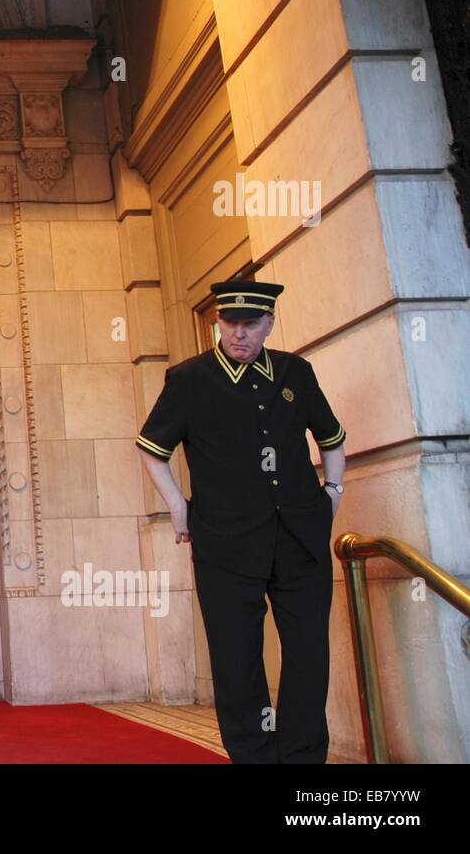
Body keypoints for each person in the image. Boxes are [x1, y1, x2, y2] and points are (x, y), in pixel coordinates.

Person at [136, 280, 346, 763]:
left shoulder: (297, 372)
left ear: (269, 324)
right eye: (231, 323)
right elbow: (151, 450)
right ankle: (253, 756)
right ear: (218, 323)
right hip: (225, 545)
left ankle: (302, 757)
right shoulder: (189, 380)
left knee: (310, 654)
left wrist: (332, 493)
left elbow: (331, 438)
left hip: (300, 538)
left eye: (251, 324)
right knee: (236, 661)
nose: (239, 334)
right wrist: (176, 504)